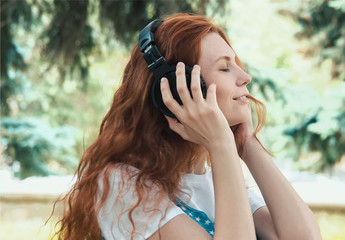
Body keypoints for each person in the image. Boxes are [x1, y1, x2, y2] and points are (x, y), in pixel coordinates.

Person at [53, 13, 322, 240]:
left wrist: (247, 145)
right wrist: (221, 145)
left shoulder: (213, 180)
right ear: (177, 90)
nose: (245, 77)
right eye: (225, 68)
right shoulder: (122, 185)